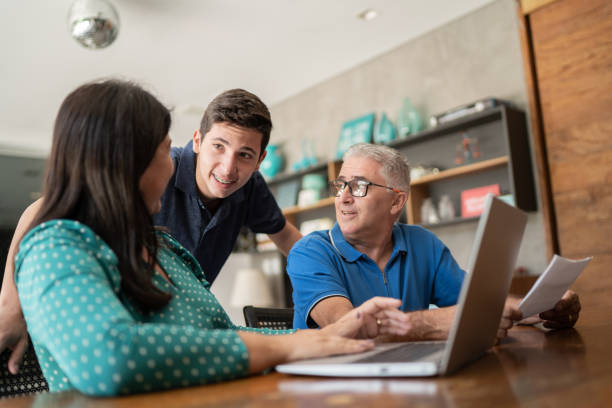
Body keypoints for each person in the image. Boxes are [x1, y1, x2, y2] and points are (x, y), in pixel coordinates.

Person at [12, 80, 410, 396]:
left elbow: (221, 335)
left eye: (244, 155)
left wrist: (324, 331)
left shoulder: (166, 249)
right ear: (124, 161)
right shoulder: (59, 245)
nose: (175, 167)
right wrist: (9, 306)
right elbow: (111, 358)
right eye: (168, 152)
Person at [0, 87, 302, 374]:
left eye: (245, 155)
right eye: (218, 147)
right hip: (138, 329)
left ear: (260, 159)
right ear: (197, 141)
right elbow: (41, 210)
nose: (227, 168)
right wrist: (9, 307)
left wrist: (325, 295)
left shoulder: (246, 193)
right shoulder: (149, 173)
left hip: (184, 335)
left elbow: (288, 239)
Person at [287, 143, 581, 339]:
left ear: (396, 201)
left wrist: (540, 308)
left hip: (406, 380)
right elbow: (346, 329)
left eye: (358, 186)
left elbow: (477, 304)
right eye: (340, 185)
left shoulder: (421, 243)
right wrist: (434, 323)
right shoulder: (309, 252)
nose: (344, 197)